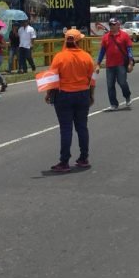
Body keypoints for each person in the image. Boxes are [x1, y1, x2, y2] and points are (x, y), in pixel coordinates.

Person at [48, 29, 96, 173]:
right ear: (79, 41)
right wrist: (91, 96)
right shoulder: (87, 57)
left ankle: (64, 162)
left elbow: (52, 79)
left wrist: (48, 94)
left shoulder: (59, 57)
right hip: (82, 94)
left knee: (66, 129)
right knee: (82, 127)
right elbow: (92, 80)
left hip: (64, 96)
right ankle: (84, 158)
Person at [95, 18, 133, 111]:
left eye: (113, 24)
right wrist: (98, 64)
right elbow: (102, 52)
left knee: (122, 82)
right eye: (110, 25)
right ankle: (113, 104)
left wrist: (130, 62)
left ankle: (127, 96)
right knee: (110, 85)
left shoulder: (124, 36)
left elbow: (129, 50)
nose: (111, 26)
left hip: (121, 64)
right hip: (110, 65)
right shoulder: (106, 37)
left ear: (118, 25)